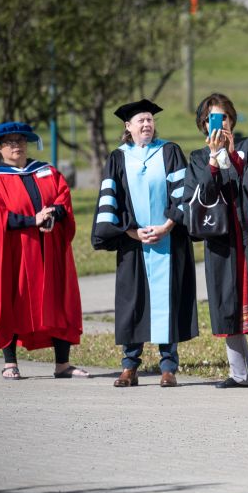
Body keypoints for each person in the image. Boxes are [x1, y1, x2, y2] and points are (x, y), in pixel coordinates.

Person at [92, 99, 198, 388]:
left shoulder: (169, 151)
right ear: (128, 126)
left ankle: (168, 367)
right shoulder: (118, 157)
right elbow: (110, 202)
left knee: (169, 300)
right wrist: (131, 232)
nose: (147, 124)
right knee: (133, 303)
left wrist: (167, 225)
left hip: (168, 239)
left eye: (150, 119)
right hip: (133, 243)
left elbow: (184, 194)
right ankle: (130, 366)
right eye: (141, 120)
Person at [0, 121, 87, 380]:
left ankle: (62, 365)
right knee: (13, 300)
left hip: (49, 250)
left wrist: (53, 214)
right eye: (10, 142)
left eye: (21, 141)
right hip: (16, 253)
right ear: (0, 149)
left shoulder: (47, 171)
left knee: (58, 301)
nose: (17, 146)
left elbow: (63, 198)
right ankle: (10, 363)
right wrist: (32, 220)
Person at [185, 93, 248, 389]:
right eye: (212, 119)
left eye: (224, 117)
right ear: (203, 124)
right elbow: (199, 196)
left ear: (232, 118)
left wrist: (232, 155)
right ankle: (240, 374)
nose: (220, 123)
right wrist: (214, 161)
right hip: (221, 241)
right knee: (226, 304)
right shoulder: (198, 158)